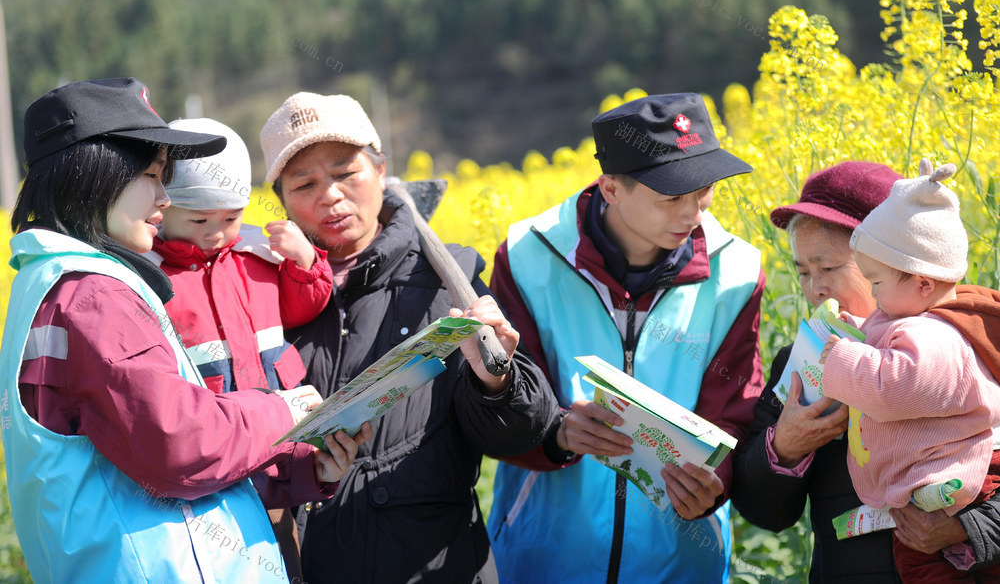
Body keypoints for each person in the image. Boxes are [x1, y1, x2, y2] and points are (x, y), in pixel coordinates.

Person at [0, 78, 368, 583]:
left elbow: (151, 457)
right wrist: (284, 409)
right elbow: (181, 446)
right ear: (97, 177)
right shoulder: (94, 297)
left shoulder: (49, 279)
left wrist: (305, 470)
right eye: (151, 177)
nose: (164, 198)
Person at [258, 91, 560, 583]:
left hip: (435, 567)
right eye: (305, 183)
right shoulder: (262, 292)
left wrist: (497, 381)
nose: (329, 195)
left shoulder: (448, 279)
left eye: (345, 173)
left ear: (381, 171)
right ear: (283, 202)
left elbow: (520, 434)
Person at [486, 92, 766, 583]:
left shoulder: (737, 272)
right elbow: (496, 403)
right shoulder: (527, 256)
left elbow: (736, 411)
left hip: (681, 565)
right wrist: (556, 432)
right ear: (611, 189)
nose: (693, 214)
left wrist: (713, 482)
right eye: (671, 198)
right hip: (545, 561)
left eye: (704, 191)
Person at [731, 160, 1000, 582]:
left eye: (830, 268)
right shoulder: (802, 360)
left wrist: (967, 528)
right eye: (802, 271)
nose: (814, 288)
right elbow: (763, 511)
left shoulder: (974, 343)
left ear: (901, 262)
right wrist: (784, 448)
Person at [149, 117, 337, 578]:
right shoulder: (153, 277)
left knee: (287, 557)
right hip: (215, 463)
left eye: (231, 219)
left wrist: (305, 261)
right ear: (162, 210)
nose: (216, 232)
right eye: (198, 220)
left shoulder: (256, 257)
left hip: (281, 451)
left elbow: (303, 306)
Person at [820, 158, 1000, 580]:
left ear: (922, 284)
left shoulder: (938, 336)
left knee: (925, 568)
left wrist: (841, 358)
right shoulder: (911, 312)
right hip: (937, 483)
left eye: (876, 282)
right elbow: (889, 340)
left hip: (959, 485)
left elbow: (895, 388)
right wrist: (858, 334)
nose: (873, 295)